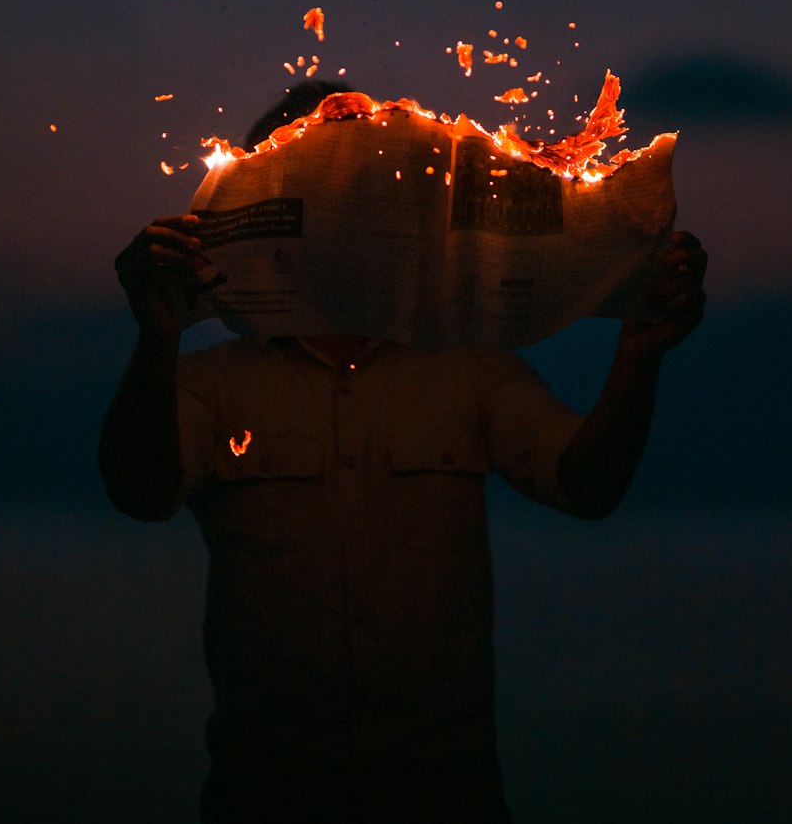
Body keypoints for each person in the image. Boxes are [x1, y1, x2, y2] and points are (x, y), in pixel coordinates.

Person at [100, 82, 707, 824]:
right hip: (269, 795)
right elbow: (139, 491)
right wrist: (155, 339)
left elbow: (585, 487)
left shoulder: (470, 370)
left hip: (444, 796)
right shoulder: (210, 386)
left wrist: (639, 355)